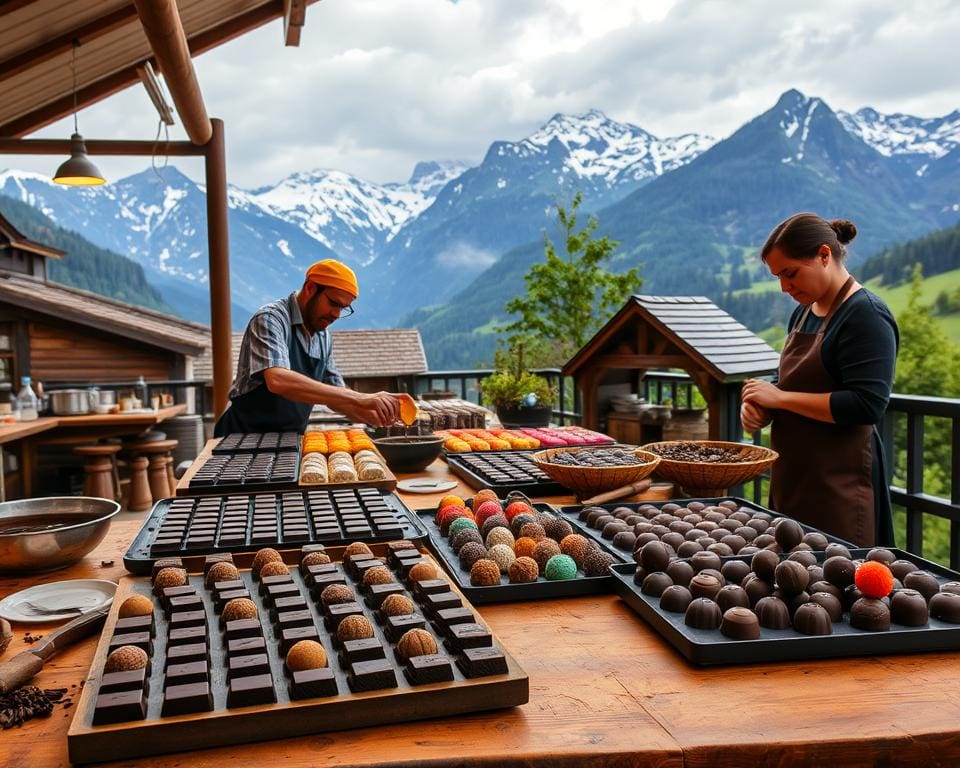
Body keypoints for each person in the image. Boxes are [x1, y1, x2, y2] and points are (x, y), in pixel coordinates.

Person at [740, 213, 899, 547]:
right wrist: (761, 405)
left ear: (824, 256)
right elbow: (789, 378)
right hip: (795, 479)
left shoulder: (865, 314)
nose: (784, 286)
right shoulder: (803, 311)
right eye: (778, 277)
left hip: (840, 487)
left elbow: (866, 404)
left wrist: (780, 399)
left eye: (791, 273)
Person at [214, 259, 402, 436]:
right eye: (333, 303)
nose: (336, 314)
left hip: (288, 442)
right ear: (310, 288)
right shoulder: (271, 319)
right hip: (241, 439)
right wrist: (360, 398)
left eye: (344, 308)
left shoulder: (323, 336)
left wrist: (381, 418)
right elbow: (278, 379)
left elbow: (337, 398)